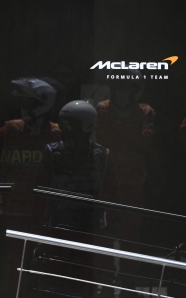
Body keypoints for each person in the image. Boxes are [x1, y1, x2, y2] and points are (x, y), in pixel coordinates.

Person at [0, 77, 62, 297]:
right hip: (13, 210)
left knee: (44, 263)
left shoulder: (56, 133)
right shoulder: (11, 129)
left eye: (30, 103)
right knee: (14, 264)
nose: (25, 108)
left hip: (42, 211)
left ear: (43, 105)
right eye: (24, 103)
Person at [32, 100, 120, 298]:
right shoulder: (52, 152)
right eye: (64, 125)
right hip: (58, 227)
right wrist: (37, 225)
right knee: (54, 283)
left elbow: (113, 194)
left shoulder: (103, 155)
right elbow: (39, 191)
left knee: (85, 283)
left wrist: (113, 225)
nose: (65, 130)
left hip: (89, 230)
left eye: (70, 125)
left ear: (86, 126)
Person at [95, 68, 155, 297]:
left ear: (135, 91)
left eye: (127, 89)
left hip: (133, 183)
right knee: (104, 233)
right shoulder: (102, 108)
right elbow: (102, 139)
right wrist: (129, 130)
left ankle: (129, 280)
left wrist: (117, 128)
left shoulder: (146, 111)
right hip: (107, 181)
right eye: (120, 88)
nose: (122, 93)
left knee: (131, 235)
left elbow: (145, 143)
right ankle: (105, 278)